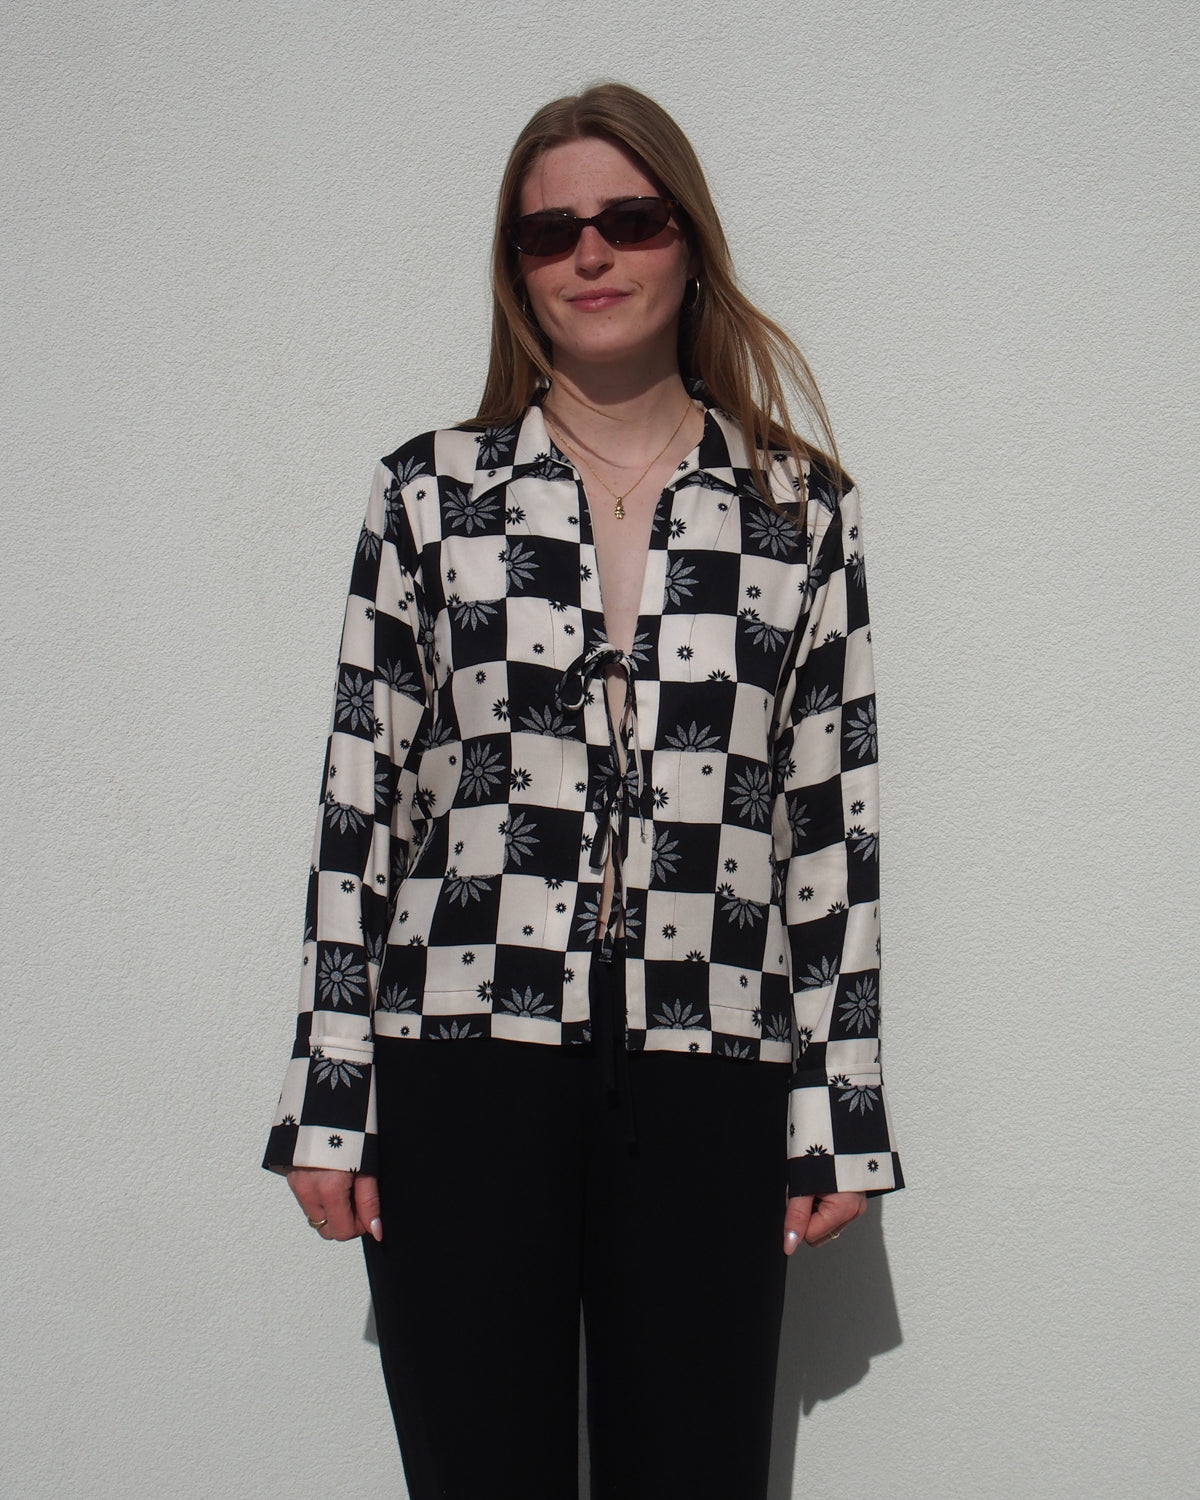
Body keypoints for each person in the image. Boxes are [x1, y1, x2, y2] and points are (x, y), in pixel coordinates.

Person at [264, 81, 902, 1500]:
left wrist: (838, 1110)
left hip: (709, 1071)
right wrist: (330, 1093)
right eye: (551, 233)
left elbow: (829, 823)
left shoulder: (801, 512)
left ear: (689, 245)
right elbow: (360, 804)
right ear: (518, 268)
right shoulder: (430, 497)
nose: (592, 255)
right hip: (464, 1054)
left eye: (629, 218)